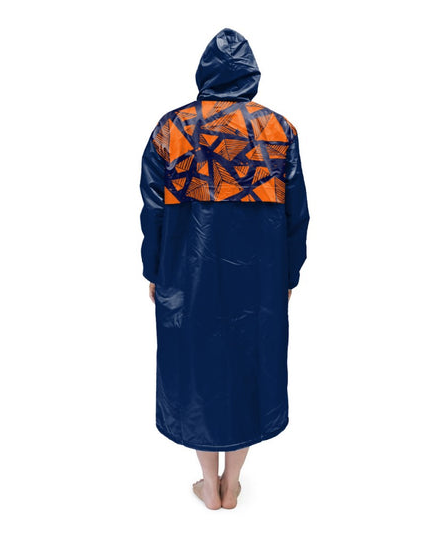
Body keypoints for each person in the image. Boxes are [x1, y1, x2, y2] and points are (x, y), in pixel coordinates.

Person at [140, 28, 310, 509]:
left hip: (187, 274)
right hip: (259, 277)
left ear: (204, 73)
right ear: (251, 74)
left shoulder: (172, 129)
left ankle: (206, 482)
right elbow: (297, 214)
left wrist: (154, 270)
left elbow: (153, 208)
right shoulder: (279, 130)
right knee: (247, 368)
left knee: (199, 369)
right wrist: (289, 275)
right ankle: (232, 483)